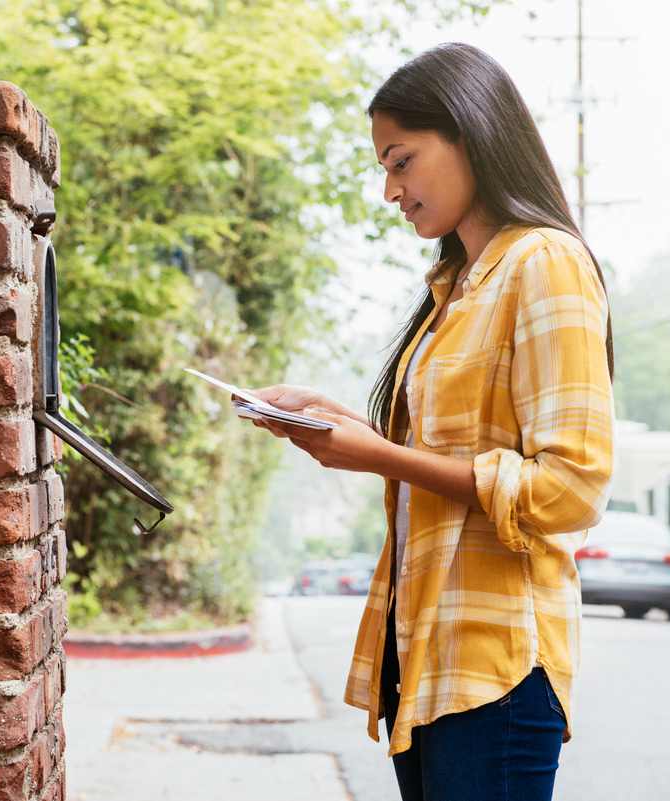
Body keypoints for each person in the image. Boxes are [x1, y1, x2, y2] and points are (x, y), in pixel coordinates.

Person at [240, 43, 616, 801]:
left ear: (470, 133)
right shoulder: (458, 287)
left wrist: (381, 457)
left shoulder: (545, 262)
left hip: (495, 669)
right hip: (427, 660)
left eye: (401, 160)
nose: (390, 189)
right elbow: (444, 448)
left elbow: (571, 489)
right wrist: (337, 422)